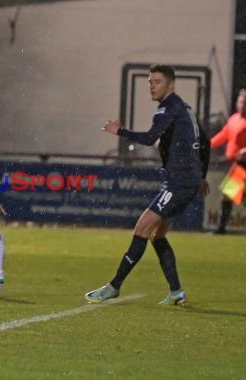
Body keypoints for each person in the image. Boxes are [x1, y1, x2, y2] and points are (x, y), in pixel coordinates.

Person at [85, 64, 210, 306]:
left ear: (171, 84)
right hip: (186, 180)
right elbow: (205, 142)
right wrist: (201, 175)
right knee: (157, 234)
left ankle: (113, 287)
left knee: (142, 227)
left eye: (158, 82)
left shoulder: (169, 108)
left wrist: (118, 130)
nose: (152, 86)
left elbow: (150, 138)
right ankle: (176, 292)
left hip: (178, 182)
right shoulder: (185, 108)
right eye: (150, 82)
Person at [210, 89, 246, 234]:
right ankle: (221, 229)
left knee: (229, 194)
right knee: (233, 195)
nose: (242, 105)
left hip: (243, 164)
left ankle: (221, 229)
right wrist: (207, 145)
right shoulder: (234, 119)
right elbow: (223, 136)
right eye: (241, 102)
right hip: (236, 163)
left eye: (245, 103)